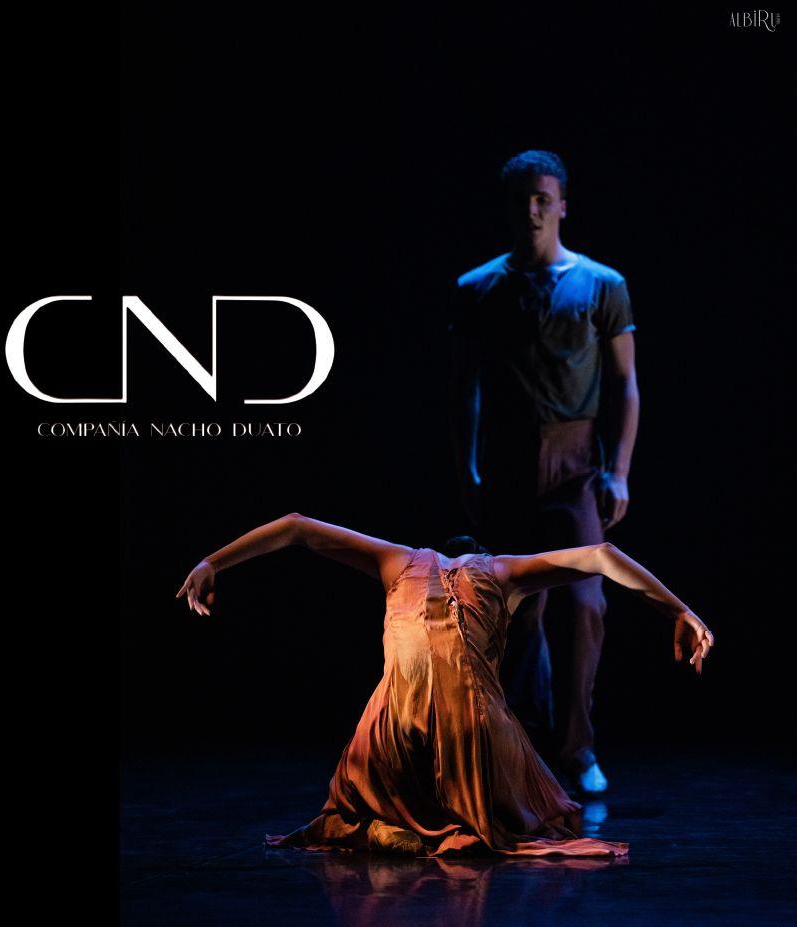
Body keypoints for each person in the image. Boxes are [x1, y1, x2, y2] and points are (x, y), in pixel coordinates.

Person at [176, 513, 713, 859]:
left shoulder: (397, 561)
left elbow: (296, 525)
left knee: (359, 787)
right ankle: (445, 821)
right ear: (479, 554)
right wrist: (680, 610)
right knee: (529, 790)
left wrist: (211, 561)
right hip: (471, 741)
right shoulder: (501, 571)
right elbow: (601, 554)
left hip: (390, 741)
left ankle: (389, 824)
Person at [448, 150, 640, 794]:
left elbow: (626, 383)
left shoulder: (601, 284)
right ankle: (525, 747)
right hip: (507, 464)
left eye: (542, 198)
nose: (532, 210)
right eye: (521, 200)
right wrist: (468, 469)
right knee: (517, 610)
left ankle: (577, 748)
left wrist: (619, 470)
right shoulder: (478, 287)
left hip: (575, 463)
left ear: (561, 205)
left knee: (585, 603)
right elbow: (464, 390)